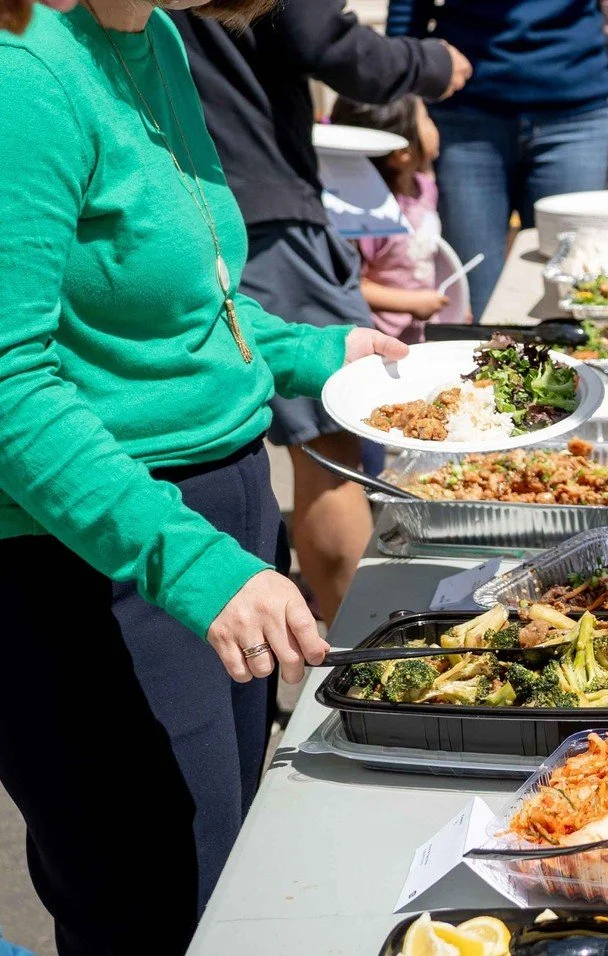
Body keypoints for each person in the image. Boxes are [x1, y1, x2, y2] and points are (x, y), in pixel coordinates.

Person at [0, 2, 406, 953]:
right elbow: (9, 385)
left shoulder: (154, 32)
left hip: (210, 519)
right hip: (90, 558)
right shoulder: (22, 75)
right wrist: (196, 568)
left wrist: (323, 352)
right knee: (156, 911)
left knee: (226, 889)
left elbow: (184, 313)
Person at [171, 0, 469, 623]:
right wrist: (429, 62)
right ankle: (358, 649)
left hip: (213, 198)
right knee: (328, 447)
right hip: (260, 206)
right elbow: (320, 36)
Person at [387, 0, 608, 315]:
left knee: (570, 302)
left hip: (577, 117)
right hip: (464, 119)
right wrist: (405, 101)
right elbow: (407, 10)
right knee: (477, 305)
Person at [330, 95, 449, 346]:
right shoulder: (370, 218)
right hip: (381, 342)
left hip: (421, 332)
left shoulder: (424, 187)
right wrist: (413, 302)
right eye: (426, 119)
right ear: (402, 153)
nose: (434, 125)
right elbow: (352, 284)